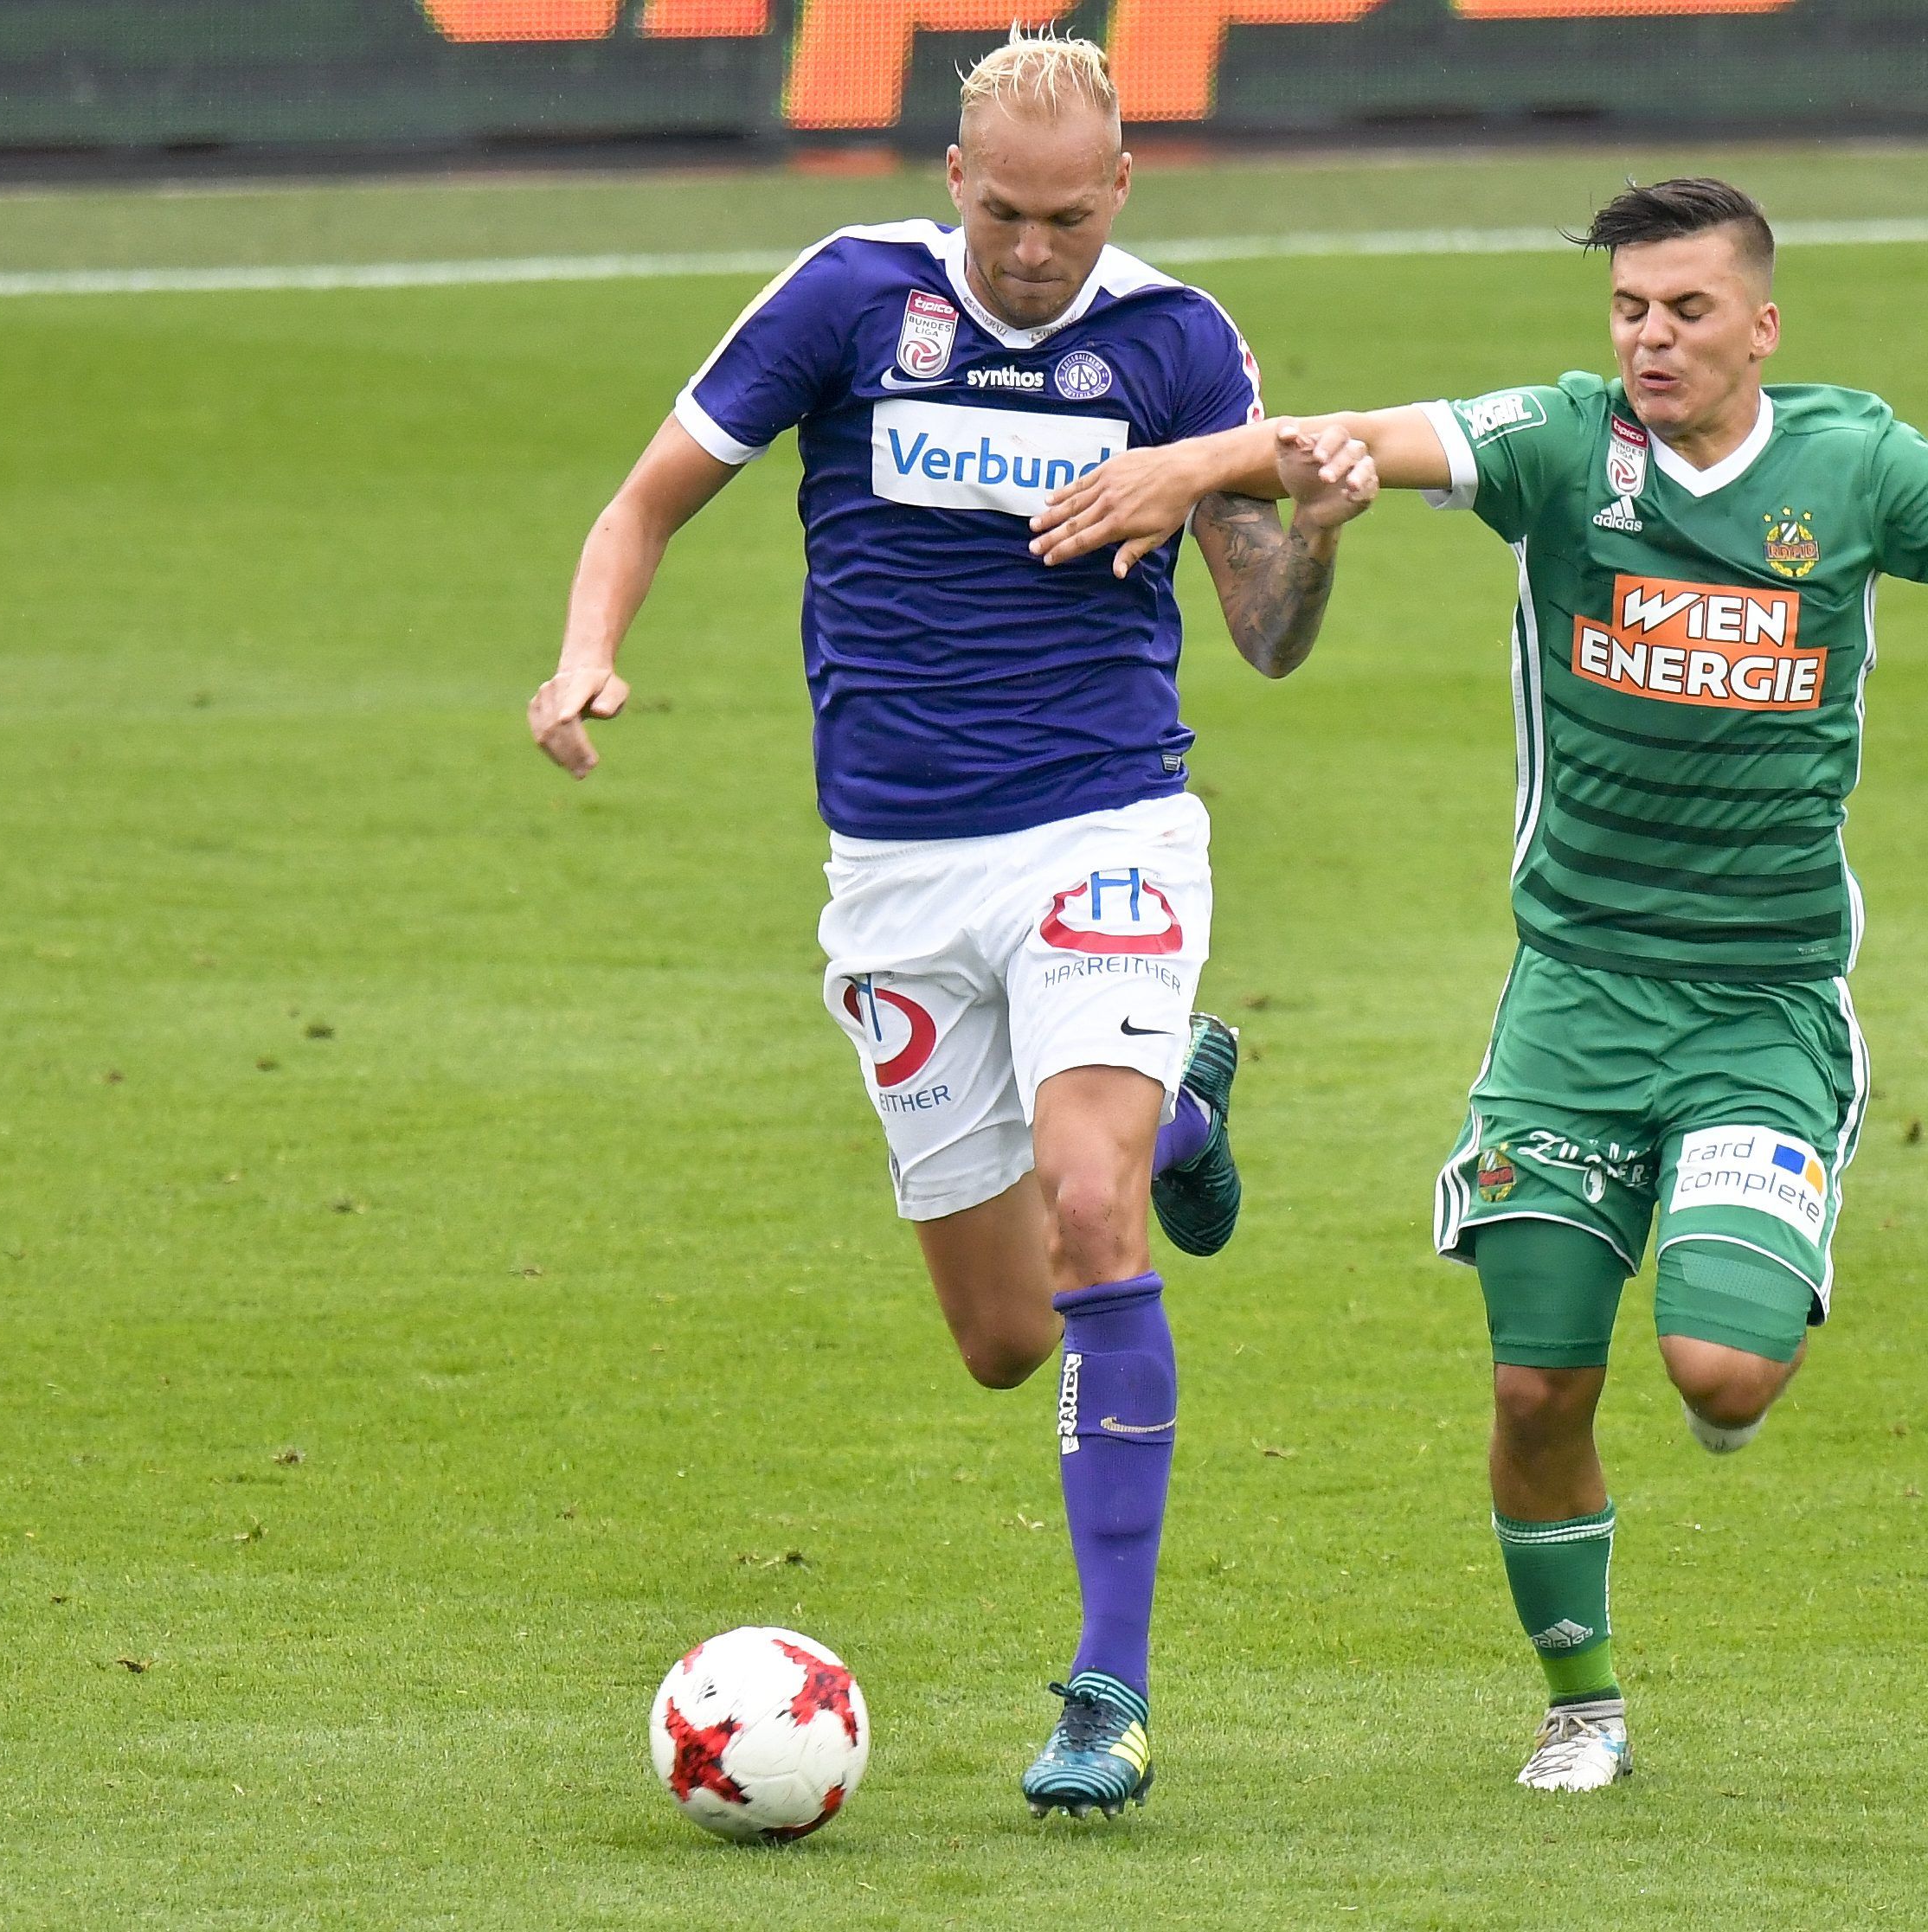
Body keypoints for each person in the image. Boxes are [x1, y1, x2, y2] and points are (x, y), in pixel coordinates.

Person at [1028, 175, 1928, 1794]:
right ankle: (1581, 1706)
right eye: (1626, 310)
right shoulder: (1555, 442)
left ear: (1760, 324)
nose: (1649, 338)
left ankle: (1742, 1327)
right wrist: (1206, 461)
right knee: (1537, 1379)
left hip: (1762, 1006)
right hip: (1575, 997)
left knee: (1718, 1373)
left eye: (1681, 311)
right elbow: (1354, 440)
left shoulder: (1856, 464)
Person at [528, 30, 1377, 1819]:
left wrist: (1307, 521)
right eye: (1005, 211)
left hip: (1107, 828)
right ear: (951, 178)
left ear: (1121, 192)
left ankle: (1110, 1695)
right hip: (897, 877)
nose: (1034, 250)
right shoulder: (848, 302)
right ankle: (1188, 1104)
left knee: (1091, 1204)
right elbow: (645, 499)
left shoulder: (1175, 346)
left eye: (1071, 216)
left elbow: (1272, 635)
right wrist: (586, 649)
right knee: (1002, 1339)